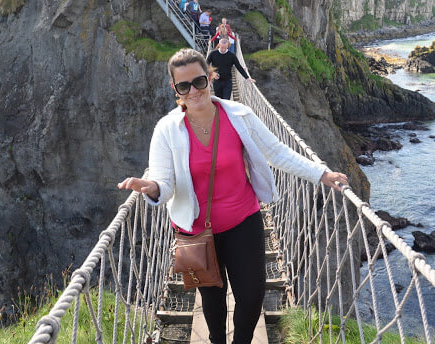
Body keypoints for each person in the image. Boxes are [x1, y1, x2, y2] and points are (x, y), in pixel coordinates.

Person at [118, 48, 348, 344]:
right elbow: (164, 182)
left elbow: (277, 151)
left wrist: (321, 174)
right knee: (212, 304)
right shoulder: (166, 129)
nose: (194, 90)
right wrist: (152, 188)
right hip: (195, 230)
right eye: (184, 85)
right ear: (175, 89)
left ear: (211, 77)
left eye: (199, 81)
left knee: (252, 296)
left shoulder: (240, 115)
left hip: (244, 220)